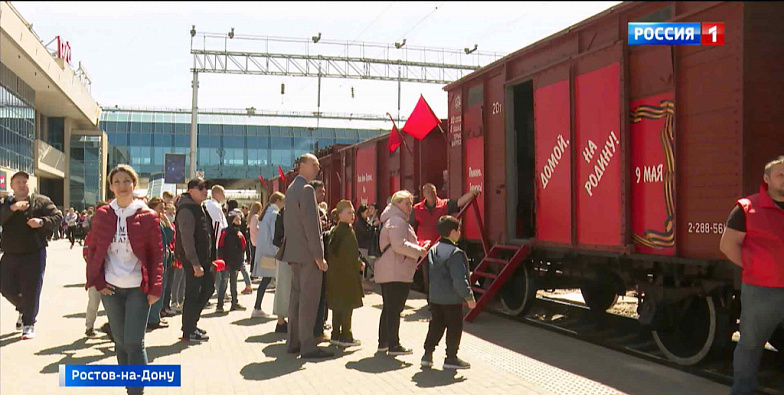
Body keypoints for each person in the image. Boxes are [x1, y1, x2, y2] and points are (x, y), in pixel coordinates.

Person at [86, 165, 162, 395]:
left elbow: (157, 255)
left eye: (126, 181)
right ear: (111, 187)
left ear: (134, 185)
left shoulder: (148, 216)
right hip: (110, 288)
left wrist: (155, 288)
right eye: (116, 182)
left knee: (134, 342)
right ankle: (129, 385)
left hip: (138, 288)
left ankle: (136, 391)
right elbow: (94, 249)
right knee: (119, 341)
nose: (122, 186)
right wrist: (97, 282)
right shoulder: (102, 215)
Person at [720, 156, 784, 395]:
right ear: (767, 179)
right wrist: (754, 266)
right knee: (750, 345)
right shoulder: (747, 208)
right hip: (761, 291)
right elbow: (727, 245)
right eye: (781, 175)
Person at [276, 153, 333, 359]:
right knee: (309, 300)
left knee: (296, 298)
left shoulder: (291, 188)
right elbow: (311, 226)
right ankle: (308, 346)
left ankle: (294, 342)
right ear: (302, 165)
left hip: (295, 253)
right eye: (314, 164)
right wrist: (319, 257)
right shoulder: (307, 190)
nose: (318, 168)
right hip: (309, 255)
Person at [0, 171, 63, 340]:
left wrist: (41, 222)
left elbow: (58, 217)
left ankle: (28, 323)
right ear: (12, 186)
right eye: (18, 182)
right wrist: (12, 209)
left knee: (31, 289)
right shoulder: (5, 203)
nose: (21, 185)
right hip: (10, 252)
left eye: (24, 182)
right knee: (4, 286)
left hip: (34, 253)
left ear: (30, 185)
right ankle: (23, 307)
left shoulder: (41, 201)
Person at [375, 190, 430, 355]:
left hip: (391, 270)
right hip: (395, 271)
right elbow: (399, 245)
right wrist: (420, 250)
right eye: (407, 203)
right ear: (397, 203)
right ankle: (394, 345)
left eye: (411, 203)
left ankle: (384, 343)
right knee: (394, 309)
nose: (410, 207)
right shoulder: (397, 221)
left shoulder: (392, 219)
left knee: (389, 308)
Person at [421, 215, 476, 369]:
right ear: (452, 232)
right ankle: (451, 357)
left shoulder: (432, 250)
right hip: (452, 300)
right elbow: (459, 279)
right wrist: (468, 297)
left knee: (436, 325)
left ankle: (427, 354)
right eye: (458, 230)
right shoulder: (455, 253)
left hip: (435, 298)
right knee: (454, 327)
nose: (460, 233)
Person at [175, 178, 214, 342]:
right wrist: (195, 263)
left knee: (207, 289)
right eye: (200, 188)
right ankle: (189, 330)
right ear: (190, 190)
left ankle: (191, 325)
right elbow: (187, 239)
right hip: (193, 260)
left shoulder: (199, 207)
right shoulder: (187, 209)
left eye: (206, 188)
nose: (205, 191)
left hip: (203, 259)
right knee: (193, 293)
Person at [326, 200, 365, 347]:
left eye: (353, 212)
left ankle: (336, 334)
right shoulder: (346, 231)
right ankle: (346, 336)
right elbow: (348, 254)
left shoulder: (336, 230)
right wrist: (357, 263)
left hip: (336, 275)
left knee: (337, 307)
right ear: (340, 214)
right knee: (347, 307)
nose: (353, 215)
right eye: (349, 212)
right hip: (346, 275)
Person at [410, 184, 481, 245]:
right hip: (423, 247)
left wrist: (471, 193)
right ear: (424, 194)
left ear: (436, 193)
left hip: (441, 245)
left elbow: (459, 202)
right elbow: (410, 227)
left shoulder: (445, 204)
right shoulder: (416, 208)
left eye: (433, 192)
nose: (431, 194)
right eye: (428, 192)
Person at [252, 193, 285, 319]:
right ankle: (259, 308)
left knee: (265, 281)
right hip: (272, 252)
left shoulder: (266, 213)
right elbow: (274, 234)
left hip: (264, 251)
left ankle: (257, 307)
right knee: (271, 281)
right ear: (277, 201)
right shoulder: (274, 214)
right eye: (283, 201)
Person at [147, 197, 176, 328]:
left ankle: (156, 316)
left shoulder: (160, 222)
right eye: (160, 209)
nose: (163, 211)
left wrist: (168, 224)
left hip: (163, 259)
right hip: (155, 261)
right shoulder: (149, 222)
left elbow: (169, 237)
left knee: (162, 289)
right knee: (156, 289)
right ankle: (152, 319)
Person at [83, 201, 109, 337]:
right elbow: (86, 255)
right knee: (94, 302)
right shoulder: (90, 237)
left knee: (112, 306)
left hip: (111, 275)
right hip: (95, 276)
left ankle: (113, 329)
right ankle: (89, 327)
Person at [216, 209, 248, 312]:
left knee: (233, 283)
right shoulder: (226, 232)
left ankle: (234, 303)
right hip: (227, 262)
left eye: (239, 218)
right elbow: (221, 246)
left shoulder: (238, 232)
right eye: (236, 219)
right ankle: (220, 305)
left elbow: (243, 246)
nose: (239, 220)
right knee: (224, 282)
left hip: (235, 261)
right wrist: (221, 260)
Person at [311, 180, 330, 342]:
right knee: (317, 297)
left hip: (314, 260)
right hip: (316, 261)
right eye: (320, 191)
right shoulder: (313, 211)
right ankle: (316, 332)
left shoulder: (316, 210)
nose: (323, 194)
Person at [272, 204, 291, 334]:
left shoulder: (283, 212)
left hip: (283, 252)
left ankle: (281, 321)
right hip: (288, 253)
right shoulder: (288, 212)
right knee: (284, 288)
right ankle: (281, 321)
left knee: (282, 287)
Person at [248, 202, 262, 275]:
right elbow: (256, 228)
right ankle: (254, 273)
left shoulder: (251, 217)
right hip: (257, 239)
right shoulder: (256, 217)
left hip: (252, 238)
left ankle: (253, 272)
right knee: (256, 257)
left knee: (254, 256)